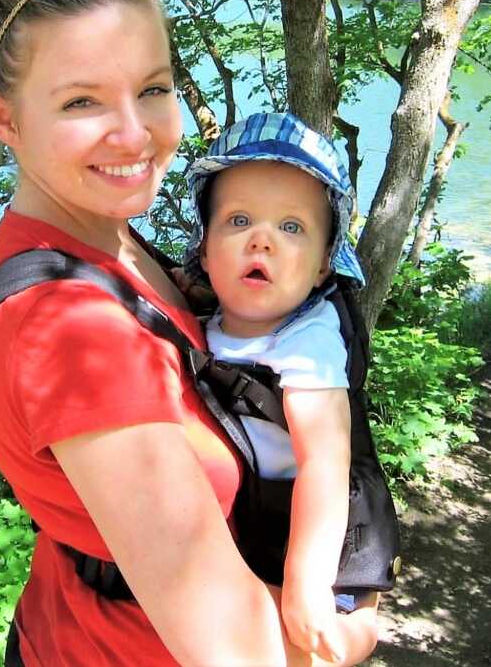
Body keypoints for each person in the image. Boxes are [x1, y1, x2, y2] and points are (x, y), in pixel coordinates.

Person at [0, 0, 379, 667]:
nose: (136, 133)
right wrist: (356, 633)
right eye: (82, 100)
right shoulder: (70, 333)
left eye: (153, 87)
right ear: (4, 118)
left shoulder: (113, 241)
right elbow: (239, 653)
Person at [183, 113, 367, 664]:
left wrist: (308, 585)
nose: (262, 239)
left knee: (318, 646)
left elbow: (325, 464)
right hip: (237, 538)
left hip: (294, 536)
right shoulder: (213, 317)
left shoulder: (305, 341)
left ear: (320, 269)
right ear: (208, 249)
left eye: (292, 228)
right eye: (239, 220)